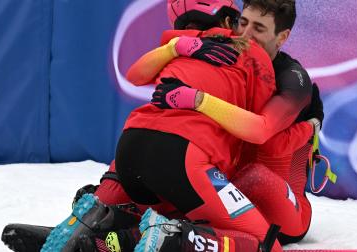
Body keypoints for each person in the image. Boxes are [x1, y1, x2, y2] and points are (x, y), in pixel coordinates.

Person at [39, 1, 285, 251]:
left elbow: (134, 75)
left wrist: (174, 47)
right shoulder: (252, 52)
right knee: (266, 245)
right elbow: (257, 132)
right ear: (227, 21)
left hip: (131, 146)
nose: (244, 31)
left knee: (173, 207)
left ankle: (96, 220)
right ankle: (172, 236)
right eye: (240, 23)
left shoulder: (178, 44)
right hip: (184, 156)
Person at [134, 0, 322, 245]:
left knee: (250, 175)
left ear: (282, 37)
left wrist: (200, 100)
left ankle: (176, 237)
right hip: (232, 188)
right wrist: (174, 47)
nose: (245, 34)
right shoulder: (227, 53)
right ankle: (113, 222)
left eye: (259, 28)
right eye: (242, 23)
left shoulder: (291, 79)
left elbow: (265, 141)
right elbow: (137, 76)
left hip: (283, 213)